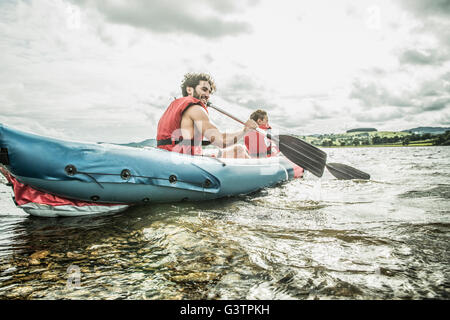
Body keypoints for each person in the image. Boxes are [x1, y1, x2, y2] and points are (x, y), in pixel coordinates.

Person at [156, 73, 258, 158]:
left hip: (169, 155)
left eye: (209, 92)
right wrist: (245, 130)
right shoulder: (196, 108)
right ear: (189, 90)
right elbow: (221, 141)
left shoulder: (174, 106)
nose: (208, 95)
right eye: (204, 89)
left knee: (238, 148)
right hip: (184, 161)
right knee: (239, 150)